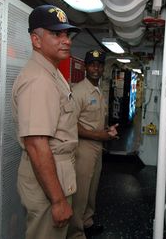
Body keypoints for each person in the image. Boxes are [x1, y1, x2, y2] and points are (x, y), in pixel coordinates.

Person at [12, 4, 80, 239]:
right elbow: (36, 144)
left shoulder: (51, 74)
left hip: (57, 172)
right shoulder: (39, 80)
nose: (66, 40)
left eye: (66, 34)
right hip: (49, 180)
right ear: (36, 40)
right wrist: (58, 201)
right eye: (55, 34)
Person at [67, 50, 119, 239]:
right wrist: (100, 135)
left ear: (103, 67)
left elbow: (95, 121)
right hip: (83, 149)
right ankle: (75, 233)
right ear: (86, 67)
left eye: (99, 64)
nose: (96, 68)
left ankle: (87, 223)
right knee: (80, 193)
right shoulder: (79, 91)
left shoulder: (99, 90)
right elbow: (72, 125)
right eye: (92, 64)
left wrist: (108, 130)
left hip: (97, 147)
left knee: (92, 189)